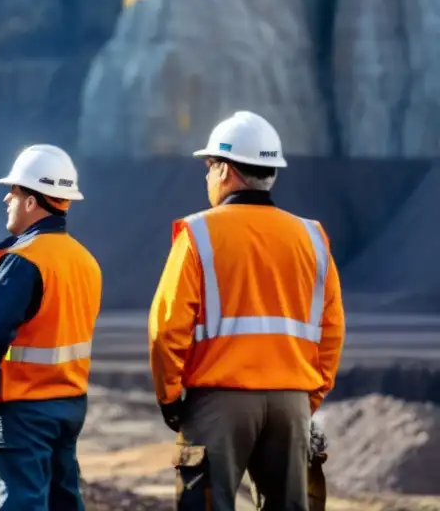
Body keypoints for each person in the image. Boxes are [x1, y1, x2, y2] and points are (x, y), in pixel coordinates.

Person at [148, 110, 346, 510]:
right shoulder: (312, 237)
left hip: (216, 403)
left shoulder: (198, 233)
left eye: (208, 166)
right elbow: (332, 329)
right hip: (292, 401)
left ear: (225, 170)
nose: (206, 177)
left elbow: (167, 328)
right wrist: (309, 397)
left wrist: (169, 397)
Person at [0, 144, 103, 511]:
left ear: (31, 202)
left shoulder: (24, 261)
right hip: (69, 406)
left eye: (15, 190)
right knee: (63, 502)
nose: (7, 197)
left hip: (24, 409)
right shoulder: (86, 262)